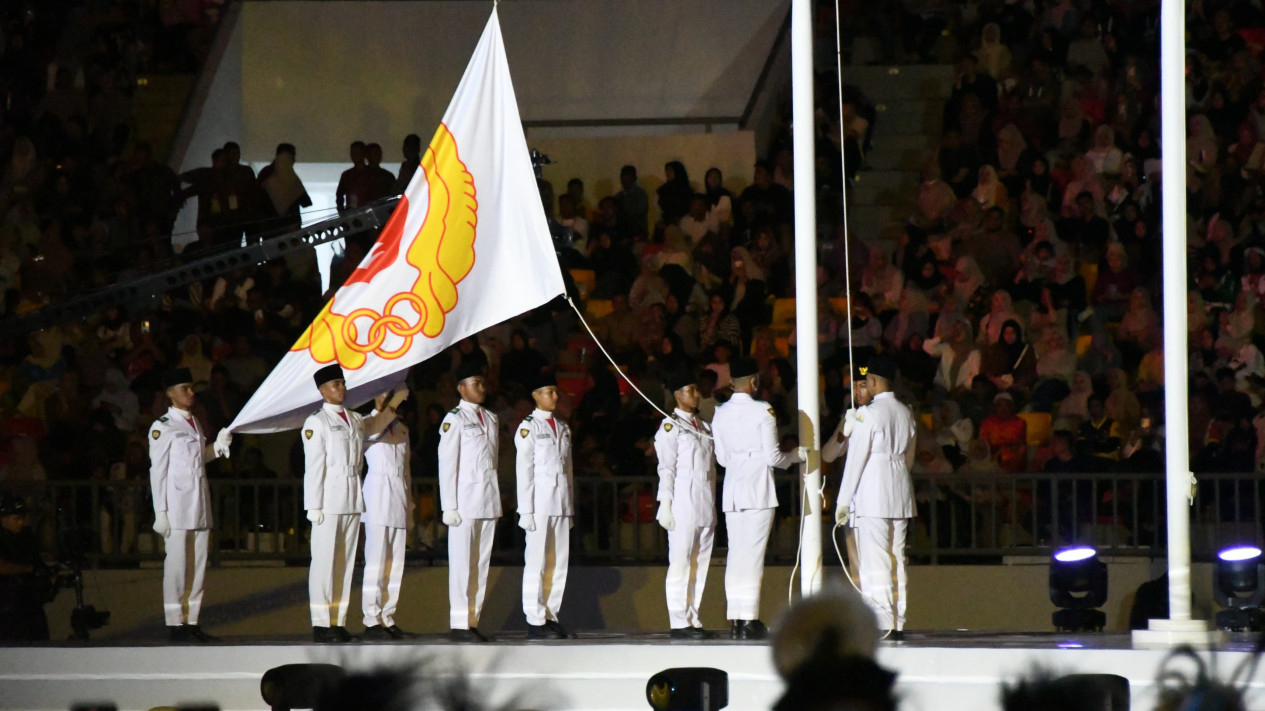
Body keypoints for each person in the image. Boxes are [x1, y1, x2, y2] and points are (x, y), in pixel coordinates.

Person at [302, 364, 408, 644]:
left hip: (351, 497)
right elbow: (313, 467)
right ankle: (321, 623)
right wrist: (312, 504)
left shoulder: (352, 418)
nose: (341, 388)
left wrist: (395, 402)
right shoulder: (317, 422)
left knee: (344, 563)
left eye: (342, 383)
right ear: (322, 390)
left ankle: (337, 620)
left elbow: (374, 426)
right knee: (324, 563)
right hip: (327, 499)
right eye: (335, 385)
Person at [711, 357, 806, 639]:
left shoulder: (720, 413)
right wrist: (795, 457)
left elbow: (722, 458)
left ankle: (737, 618)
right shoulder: (763, 410)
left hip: (733, 489)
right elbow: (773, 457)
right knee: (752, 557)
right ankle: (748, 618)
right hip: (757, 488)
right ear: (753, 382)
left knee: (736, 556)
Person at [148, 367, 233, 644]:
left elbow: (197, 461)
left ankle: (192, 621)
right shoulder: (163, 426)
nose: (191, 393)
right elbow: (157, 471)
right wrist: (160, 511)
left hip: (198, 503)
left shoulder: (194, 422)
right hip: (176, 505)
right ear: (170, 393)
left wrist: (217, 448)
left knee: (198, 566)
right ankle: (175, 623)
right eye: (184, 388)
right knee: (176, 566)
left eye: (191, 387)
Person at [835, 356, 915, 639]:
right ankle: (897, 621)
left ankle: (882, 623)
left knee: (876, 559)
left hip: (873, 491)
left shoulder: (868, 414)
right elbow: (908, 456)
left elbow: (856, 460)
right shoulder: (905, 411)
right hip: (900, 490)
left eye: (867, 380)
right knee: (897, 557)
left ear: (875, 381)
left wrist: (842, 501)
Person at [437, 360, 501, 643]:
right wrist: (448, 505)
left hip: (487, 497)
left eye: (482, 382)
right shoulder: (455, 419)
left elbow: (493, 462)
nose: (482, 387)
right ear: (461, 388)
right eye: (475, 383)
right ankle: (460, 622)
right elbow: (447, 464)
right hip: (464, 501)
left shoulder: (491, 417)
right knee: (463, 563)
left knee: (480, 564)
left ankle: (472, 620)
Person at [653, 369, 717, 639]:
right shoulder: (671, 426)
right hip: (682, 497)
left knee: (699, 561)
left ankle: (692, 616)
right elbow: (666, 468)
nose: (696, 394)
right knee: (681, 561)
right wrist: (664, 502)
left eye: (696, 389)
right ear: (677, 394)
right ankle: (679, 620)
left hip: (704, 497)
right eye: (691, 390)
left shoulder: (704, 426)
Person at [515, 371, 575, 639]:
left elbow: (568, 470)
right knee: (537, 562)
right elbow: (524, 470)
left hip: (560, 502)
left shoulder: (562, 427)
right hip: (539, 502)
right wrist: (525, 509)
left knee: (558, 561)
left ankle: (551, 614)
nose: (554, 395)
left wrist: (569, 506)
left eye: (555, 391)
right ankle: (535, 618)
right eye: (548, 391)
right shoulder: (529, 427)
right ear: (536, 396)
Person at [360, 390, 414, 641]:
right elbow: (371, 433)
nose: (388, 398)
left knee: (395, 562)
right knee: (377, 560)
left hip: (398, 496)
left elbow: (406, 470)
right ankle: (371, 618)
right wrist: (390, 405)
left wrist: (410, 506)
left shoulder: (402, 429)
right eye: (384, 394)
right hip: (378, 493)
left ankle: (387, 616)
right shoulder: (367, 423)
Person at [0, 494, 52, 641]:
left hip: (29, 605)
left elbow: (39, 559)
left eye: (22, 518)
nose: (21, 522)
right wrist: (29, 569)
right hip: (6, 607)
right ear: (4, 518)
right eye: (16, 518)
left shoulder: (26, 538)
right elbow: (2, 567)